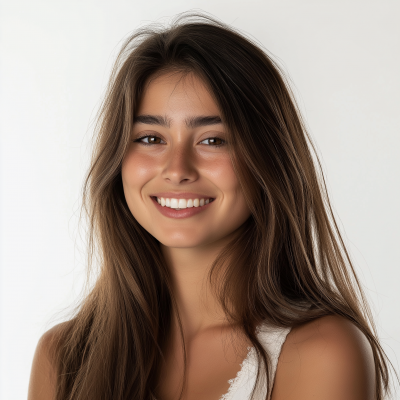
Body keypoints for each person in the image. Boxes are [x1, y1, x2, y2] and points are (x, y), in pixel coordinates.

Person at [27, 12, 395, 400]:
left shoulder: (322, 352)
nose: (177, 169)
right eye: (151, 138)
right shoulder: (63, 358)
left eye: (213, 140)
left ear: (267, 160)